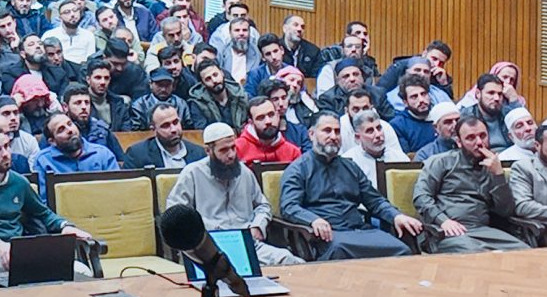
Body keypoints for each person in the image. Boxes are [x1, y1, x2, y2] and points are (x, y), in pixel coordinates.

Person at [0, 124, 95, 283]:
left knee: (81, 271)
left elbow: (43, 213)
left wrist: (64, 226)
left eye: (7, 146)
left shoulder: (19, 181)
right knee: (30, 274)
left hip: (21, 249)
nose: (6, 154)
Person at [276, 114, 420, 259]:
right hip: (326, 234)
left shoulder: (350, 167)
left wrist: (396, 216)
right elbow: (289, 207)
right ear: (311, 134)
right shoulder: (298, 169)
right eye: (327, 131)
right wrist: (313, 220)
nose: (333, 136)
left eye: (337, 131)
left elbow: (375, 201)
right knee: (339, 249)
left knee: (401, 250)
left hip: (359, 229)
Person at [162, 122, 297, 265]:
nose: (231, 155)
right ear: (208, 151)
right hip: (209, 248)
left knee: (289, 259)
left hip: (247, 244)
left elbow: (262, 206)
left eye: (233, 148)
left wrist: (258, 225)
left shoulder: (244, 172)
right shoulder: (192, 174)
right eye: (224, 150)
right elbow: (176, 214)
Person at [411, 115, 531, 252]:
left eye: (483, 136)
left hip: (482, 231)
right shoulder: (441, 162)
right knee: (475, 254)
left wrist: (498, 175)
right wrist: (442, 220)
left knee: (524, 252)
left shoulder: (492, 167)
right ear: (459, 142)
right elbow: (421, 197)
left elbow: (506, 211)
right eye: (470, 138)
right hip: (447, 230)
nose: (479, 142)